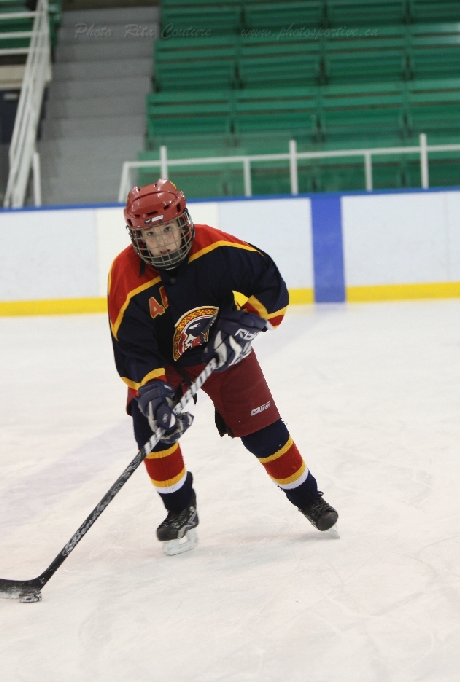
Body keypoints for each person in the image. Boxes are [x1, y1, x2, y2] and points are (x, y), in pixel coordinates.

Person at [107, 179, 338, 556]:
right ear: (137, 237)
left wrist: (248, 322)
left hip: (225, 352)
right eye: (150, 234)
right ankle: (180, 509)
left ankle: (309, 498)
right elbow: (131, 344)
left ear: (183, 223)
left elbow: (270, 284)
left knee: (263, 431)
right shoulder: (125, 273)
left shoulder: (216, 248)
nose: (162, 242)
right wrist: (150, 390)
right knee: (151, 429)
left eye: (167, 229)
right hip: (164, 365)